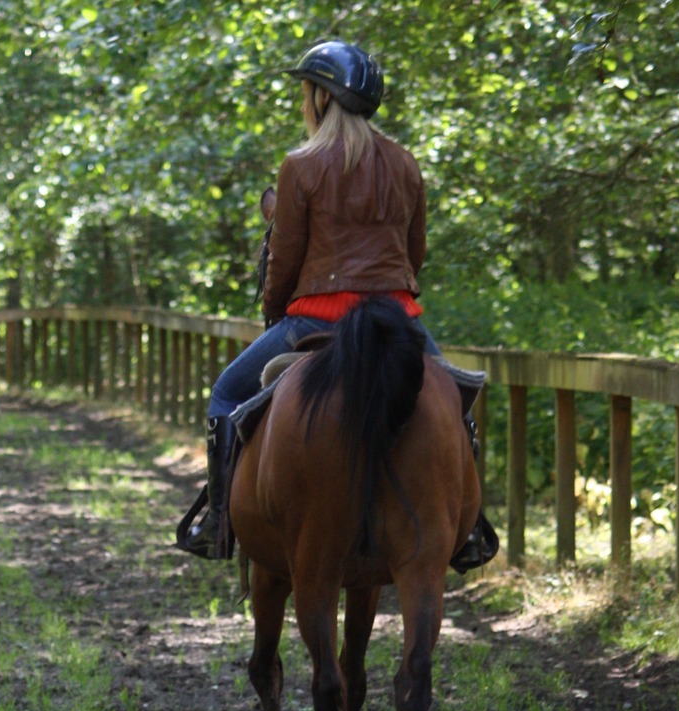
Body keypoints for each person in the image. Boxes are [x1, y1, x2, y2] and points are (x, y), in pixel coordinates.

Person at [174, 40, 495, 570]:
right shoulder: (406, 164)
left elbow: (285, 258)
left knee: (227, 394)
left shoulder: (300, 166)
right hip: (398, 318)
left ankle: (218, 524)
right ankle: (469, 529)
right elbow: (415, 256)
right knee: (458, 403)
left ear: (322, 99)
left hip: (315, 319)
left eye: (308, 90)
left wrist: (277, 311)